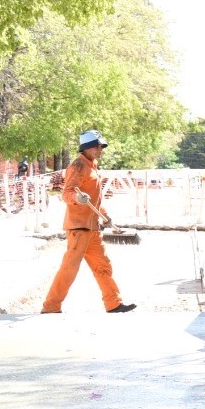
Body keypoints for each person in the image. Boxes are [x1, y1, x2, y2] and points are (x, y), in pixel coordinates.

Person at [41, 129, 136, 314]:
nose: (101, 149)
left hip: (92, 228)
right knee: (69, 269)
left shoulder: (93, 166)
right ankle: (51, 306)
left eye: (102, 146)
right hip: (78, 228)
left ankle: (113, 303)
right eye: (98, 146)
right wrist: (77, 198)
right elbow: (67, 193)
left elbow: (92, 200)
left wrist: (104, 215)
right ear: (87, 147)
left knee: (103, 266)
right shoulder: (77, 166)